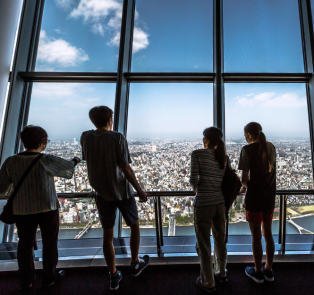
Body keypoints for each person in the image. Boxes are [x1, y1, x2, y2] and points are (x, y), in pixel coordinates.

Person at [0, 125, 80, 292]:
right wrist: (76, 160)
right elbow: (67, 168)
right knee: (49, 244)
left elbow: (1, 187)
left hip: (22, 210)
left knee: (24, 245)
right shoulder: (46, 160)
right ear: (42, 142)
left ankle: (26, 280)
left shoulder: (11, 161)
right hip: (47, 207)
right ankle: (49, 278)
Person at [80, 106, 149, 291]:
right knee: (134, 225)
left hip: (101, 193)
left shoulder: (85, 137)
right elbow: (126, 168)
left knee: (107, 235)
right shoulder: (117, 137)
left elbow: (87, 159)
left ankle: (113, 275)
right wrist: (140, 191)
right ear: (110, 119)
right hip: (121, 191)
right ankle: (135, 264)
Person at [190, 127, 228, 293]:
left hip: (203, 204)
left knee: (204, 245)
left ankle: (208, 281)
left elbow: (193, 180)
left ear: (205, 138)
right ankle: (221, 272)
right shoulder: (224, 157)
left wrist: (197, 188)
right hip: (220, 204)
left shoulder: (197, 154)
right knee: (220, 240)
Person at [238, 122, 276, 283]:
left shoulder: (246, 150)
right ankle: (269, 269)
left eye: (245, 135)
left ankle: (258, 272)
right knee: (268, 235)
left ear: (249, 135)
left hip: (254, 199)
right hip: (269, 197)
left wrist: (243, 187)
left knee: (256, 237)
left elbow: (245, 180)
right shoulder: (271, 147)